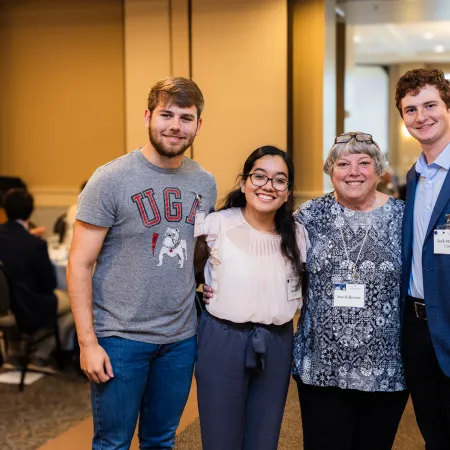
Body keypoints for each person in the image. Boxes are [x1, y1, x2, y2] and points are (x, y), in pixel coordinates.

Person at [66, 77, 217, 450]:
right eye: (166, 114)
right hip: (120, 337)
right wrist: (88, 343)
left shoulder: (204, 182)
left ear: (199, 125)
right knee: (113, 443)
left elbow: (198, 251)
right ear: (148, 116)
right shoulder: (110, 179)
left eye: (186, 117)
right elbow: (79, 264)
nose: (175, 126)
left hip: (180, 338)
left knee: (161, 440)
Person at [293, 132, 408, 450]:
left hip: (385, 367)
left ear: (379, 170)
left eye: (364, 163)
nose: (353, 171)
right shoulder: (309, 216)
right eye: (343, 163)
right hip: (322, 367)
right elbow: (275, 263)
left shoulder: (403, 217)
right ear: (330, 170)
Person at [196, 146, 307, 450]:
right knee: (221, 437)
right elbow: (185, 276)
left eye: (279, 180)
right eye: (259, 176)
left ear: (287, 192)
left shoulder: (298, 234)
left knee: (264, 437)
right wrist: (200, 293)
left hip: (277, 342)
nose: (268, 186)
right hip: (222, 340)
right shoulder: (215, 225)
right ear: (244, 183)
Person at [396, 68, 450, 449]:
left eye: (430, 105)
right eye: (411, 109)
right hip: (417, 329)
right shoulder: (414, 177)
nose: (421, 116)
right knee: (434, 430)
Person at [0, 188, 71, 366]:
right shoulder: (35, 245)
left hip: (5, 304)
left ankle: (16, 351)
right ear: (31, 211)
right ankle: (42, 352)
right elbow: (49, 285)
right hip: (27, 305)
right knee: (74, 303)